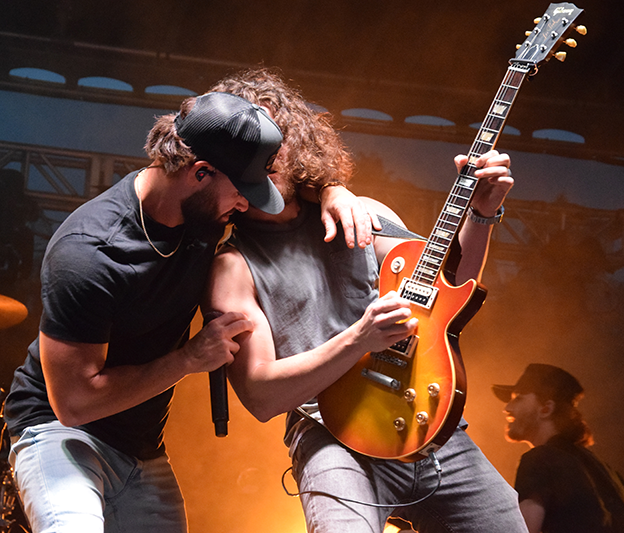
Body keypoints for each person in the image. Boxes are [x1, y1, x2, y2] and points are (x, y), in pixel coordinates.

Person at [3, 90, 374, 533]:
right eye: (242, 192)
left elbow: (268, 160)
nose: (246, 206)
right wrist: (189, 359)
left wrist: (334, 190)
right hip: (60, 433)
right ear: (200, 172)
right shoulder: (90, 253)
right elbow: (75, 404)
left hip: (141, 447)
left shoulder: (205, 211)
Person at [203, 68, 527, 532]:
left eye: (273, 140)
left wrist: (483, 211)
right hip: (330, 434)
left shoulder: (363, 212)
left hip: (426, 419)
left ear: (294, 141)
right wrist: (359, 338)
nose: (265, 157)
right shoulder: (232, 267)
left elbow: (452, 290)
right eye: (246, 149)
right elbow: (258, 395)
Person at [494, 363, 624, 533]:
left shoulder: (539, 459)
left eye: (518, 398)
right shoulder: (603, 468)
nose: (508, 408)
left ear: (546, 409)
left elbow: (525, 530)